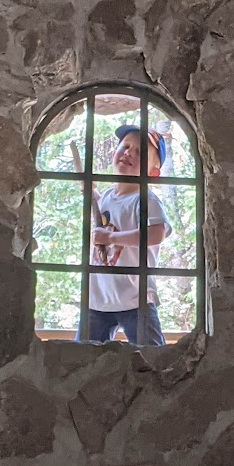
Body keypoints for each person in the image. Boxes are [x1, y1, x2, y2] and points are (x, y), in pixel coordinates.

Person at [84, 125, 173, 346]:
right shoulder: (107, 196)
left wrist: (111, 238)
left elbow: (157, 233)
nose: (128, 153)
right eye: (125, 146)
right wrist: (93, 194)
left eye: (140, 152)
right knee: (81, 356)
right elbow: (107, 218)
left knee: (152, 356)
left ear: (153, 173)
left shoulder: (145, 199)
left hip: (135, 297)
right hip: (99, 297)